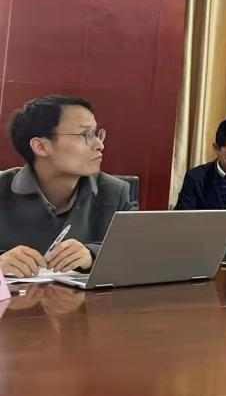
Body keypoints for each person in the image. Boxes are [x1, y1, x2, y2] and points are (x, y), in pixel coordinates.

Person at [0, 96, 135, 278]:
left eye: (96, 134)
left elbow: (138, 254)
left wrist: (92, 255)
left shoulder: (115, 192)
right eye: (86, 135)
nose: (100, 145)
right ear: (41, 146)